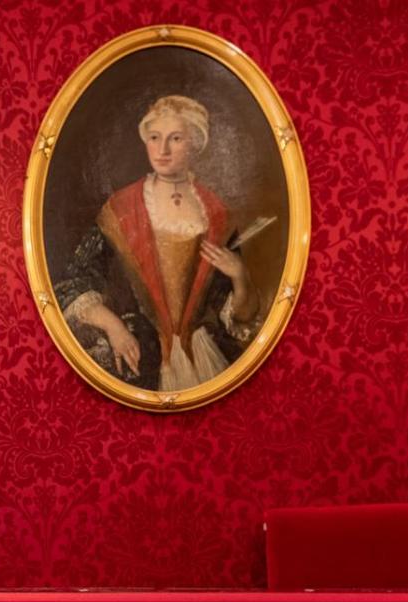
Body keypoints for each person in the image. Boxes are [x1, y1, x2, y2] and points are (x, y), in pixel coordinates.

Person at [54, 95, 261, 392]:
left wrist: (240, 276)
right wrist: (114, 326)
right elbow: (72, 283)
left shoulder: (216, 214)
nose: (162, 150)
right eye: (154, 138)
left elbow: (236, 315)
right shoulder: (120, 208)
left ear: (194, 144)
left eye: (175, 138)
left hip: (205, 355)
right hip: (141, 350)